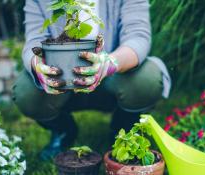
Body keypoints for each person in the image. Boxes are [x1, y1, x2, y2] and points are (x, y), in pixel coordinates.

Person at [13, 0, 171, 160]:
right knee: (26, 91)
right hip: (62, 79)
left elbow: (138, 37)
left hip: (115, 77)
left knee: (147, 79)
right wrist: (37, 65)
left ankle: (123, 127)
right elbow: (34, 40)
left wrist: (109, 63)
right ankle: (63, 130)